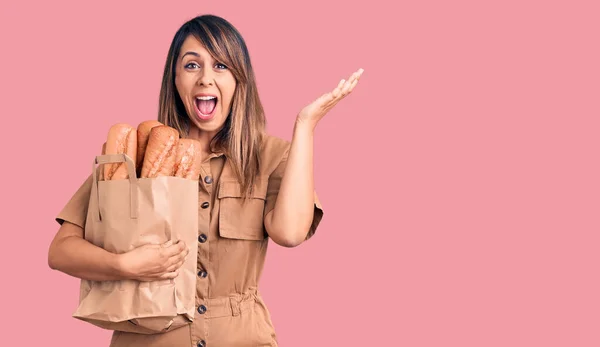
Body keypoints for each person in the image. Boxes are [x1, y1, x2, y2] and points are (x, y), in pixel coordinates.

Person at [48, 14, 362, 347]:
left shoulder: (270, 157)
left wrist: (305, 126)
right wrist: (125, 265)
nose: (206, 80)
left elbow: (289, 232)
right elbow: (61, 251)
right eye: (192, 65)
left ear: (240, 80)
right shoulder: (135, 153)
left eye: (221, 66)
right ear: (175, 78)